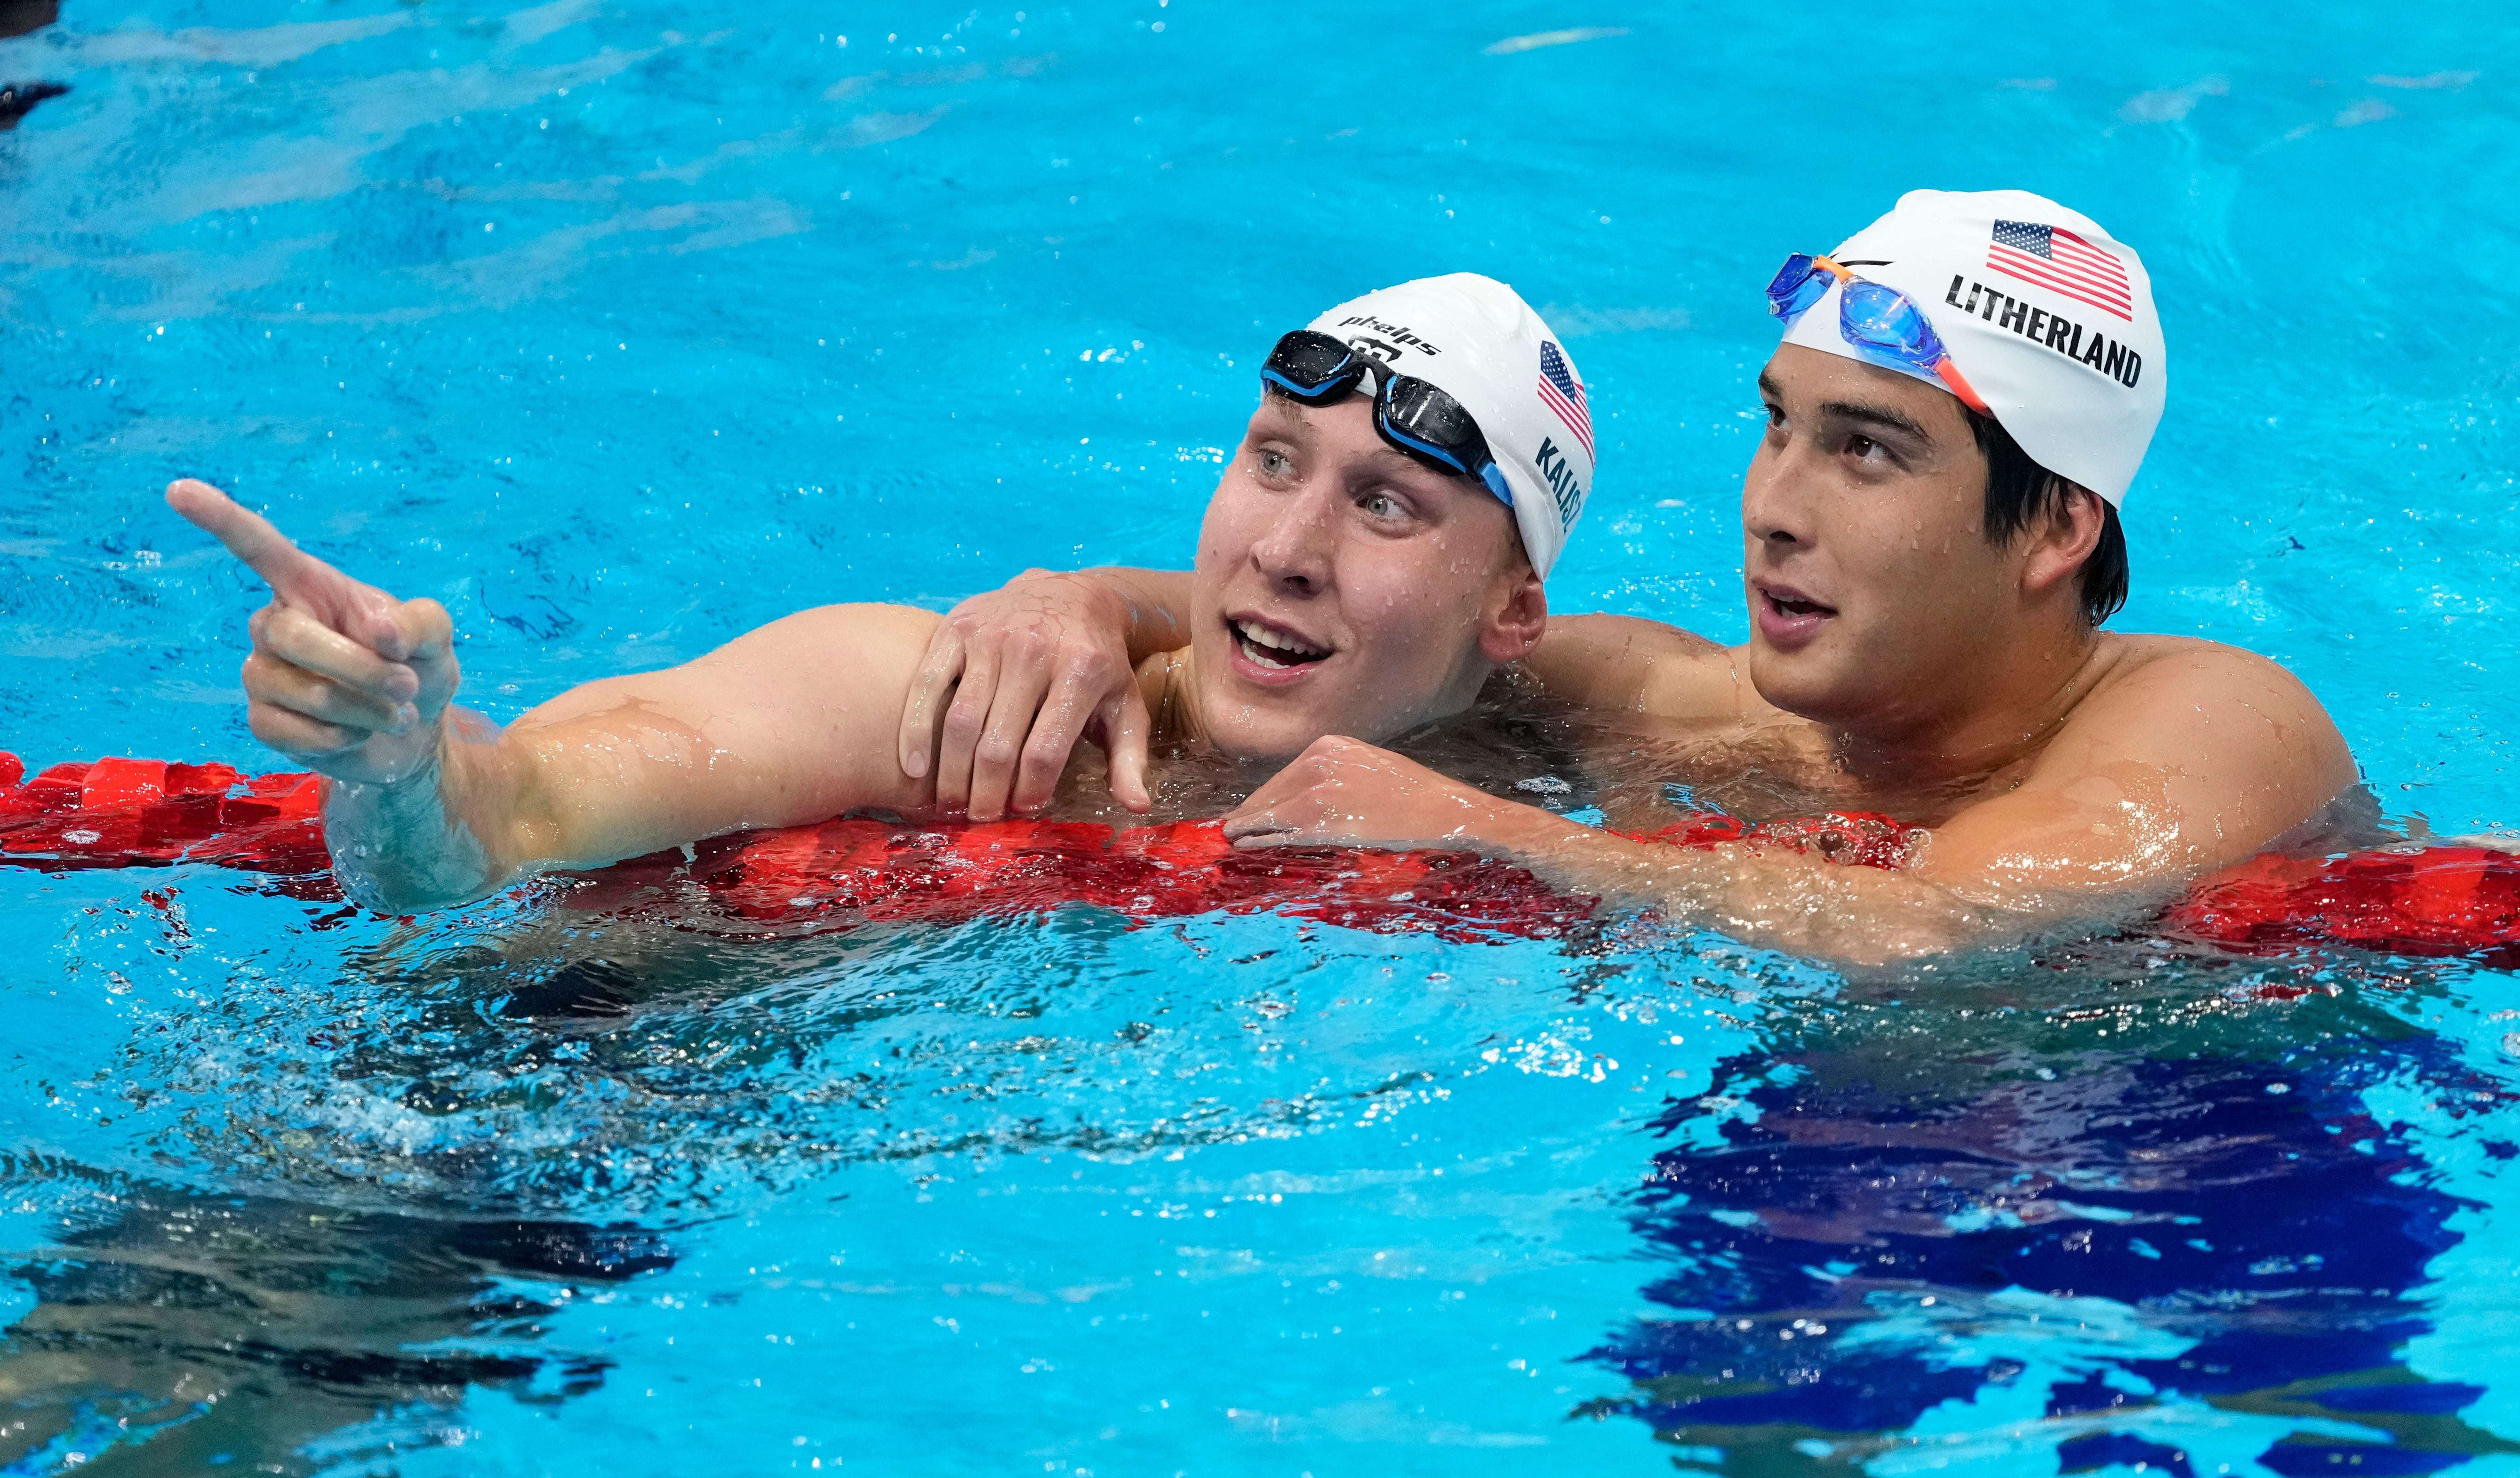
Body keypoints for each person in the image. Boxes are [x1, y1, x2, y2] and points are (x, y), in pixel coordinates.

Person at [905, 190, 2358, 958]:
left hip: (2233, 1132)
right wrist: (1081, 600)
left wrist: (1492, 831)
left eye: (1865, 452)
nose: (1774, 509)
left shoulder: (2219, 720)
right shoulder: (1690, 703)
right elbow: (1350, 615)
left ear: (2057, 530)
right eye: (1778, 427)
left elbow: (1941, 927)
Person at [176, 274, 1599, 915]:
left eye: (1386, 505)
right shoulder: (936, 700)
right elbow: (505, 825)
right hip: (502, 1093)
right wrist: (397, 761)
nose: (1287, 547)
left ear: (1512, 613)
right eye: (1273, 461)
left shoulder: (1567, 767)